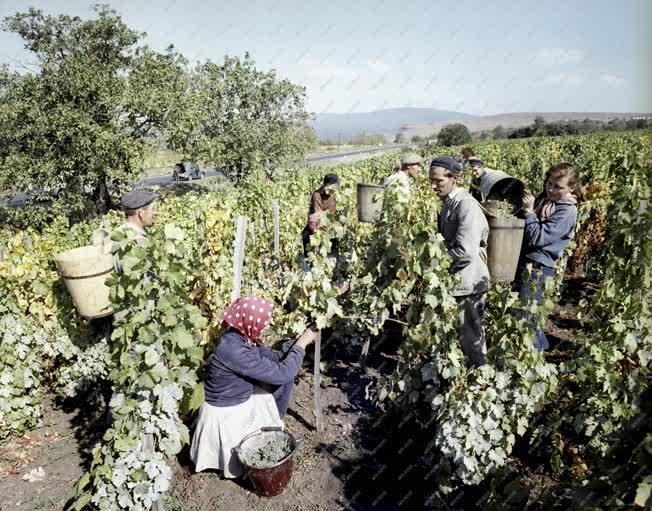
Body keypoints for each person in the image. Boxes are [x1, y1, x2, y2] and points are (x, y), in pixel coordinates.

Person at [190, 296, 318, 478]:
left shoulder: (237, 337)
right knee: (282, 379)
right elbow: (283, 373)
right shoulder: (236, 351)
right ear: (250, 322)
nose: (266, 326)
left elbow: (273, 359)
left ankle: (273, 426)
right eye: (263, 322)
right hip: (226, 413)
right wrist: (302, 345)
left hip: (233, 396)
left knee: (281, 379)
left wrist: (296, 341)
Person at [515, 163, 584, 351]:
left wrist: (529, 212)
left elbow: (539, 237)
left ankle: (535, 361)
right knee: (526, 314)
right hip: (526, 262)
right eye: (549, 184)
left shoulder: (566, 211)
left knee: (526, 318)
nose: (551, 189)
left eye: (558, 187)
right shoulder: (545, 200)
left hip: (539, 267)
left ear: (571, 188)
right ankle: (538, 355)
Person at [429, 156, 490, 368]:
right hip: (456, 280)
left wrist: (434, 262)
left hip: (469, 282)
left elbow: (466, 251)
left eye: (438, 181)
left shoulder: (466, 205)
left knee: (472, 338)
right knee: (457, 335)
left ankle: (481, 381)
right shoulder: (449, 203)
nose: (433, 185)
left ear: (454, 178)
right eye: (432, 180)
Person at [301, 173, 340, 258]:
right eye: (334, 186)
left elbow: (333, 212)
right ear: (327, 185)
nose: (336, 188)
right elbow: (318, 217)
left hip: (329, 227)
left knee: (333, 256)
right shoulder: (317, 195)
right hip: (316, 228)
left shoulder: (333, 194)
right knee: (312, 258)